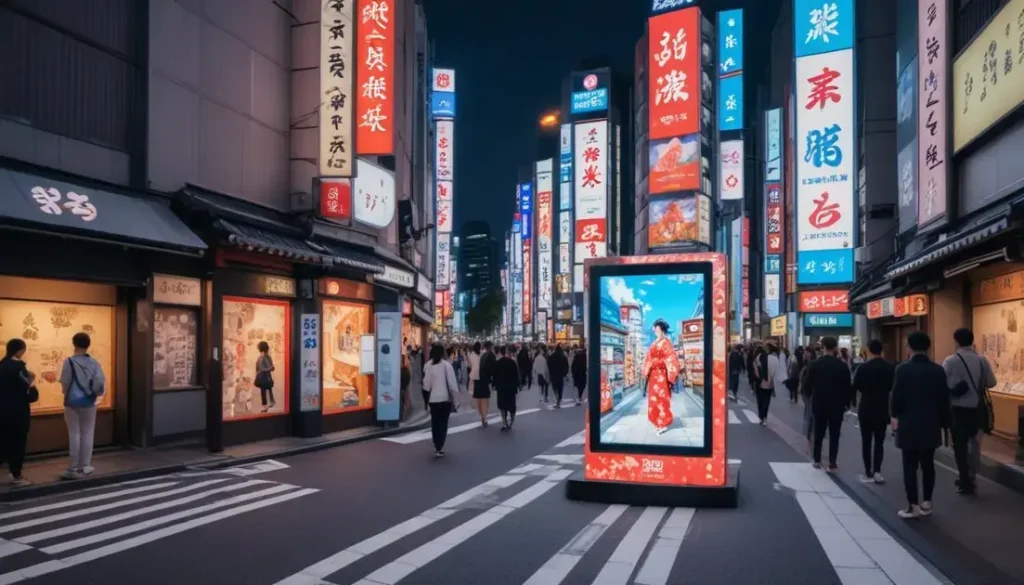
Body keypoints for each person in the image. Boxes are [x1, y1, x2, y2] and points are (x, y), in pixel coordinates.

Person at [891, 331, 951, 518]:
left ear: (909, 346)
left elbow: (896, 397)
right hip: (931, 423)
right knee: (928, 464)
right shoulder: (938, 370)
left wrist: (894, 415)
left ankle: (912, 505)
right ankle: (927, 502)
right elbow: (944, 399)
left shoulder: (902, 369)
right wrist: (945, 423)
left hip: (908, 423)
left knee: (909, 464)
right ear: (928, 347)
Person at [941, 327, 997, 495]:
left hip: (958, 410)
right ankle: (972, 476)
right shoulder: (982, 360)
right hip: (977, 410)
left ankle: (964, 478)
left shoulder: (950, 361)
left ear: (956, 341)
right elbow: (992, 383)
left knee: (959, 446)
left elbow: (942, 384)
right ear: (972, 341)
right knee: (975, 444)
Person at [60, 332, 107, 480]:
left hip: (72, 402)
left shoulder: (69, 362)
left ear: (74, 344)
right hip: (89, 402)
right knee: (88, 433)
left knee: (74, 433)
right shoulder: (94, 363)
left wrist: (67, 393)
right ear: (88, 345)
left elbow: (65, 382)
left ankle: (72, 468)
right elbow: (100, 383)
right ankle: (85, 465)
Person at [804, 337, 852, 472]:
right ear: (835, 347)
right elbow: (848, 387)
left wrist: (808, 396)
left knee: (819, 432)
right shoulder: (842, 366)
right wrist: (847, 404)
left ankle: (817, 460)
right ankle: (832, 462)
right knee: (835, 434)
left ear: (823, 347)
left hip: (819, 403)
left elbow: (808, 385)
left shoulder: (815, 364)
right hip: (837, 405)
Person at [852, 339, 895, 484]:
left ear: (869, 351)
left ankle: (868, 470)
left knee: (866, 440)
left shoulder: (863, 368)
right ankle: (877, 470)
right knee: (879, 441)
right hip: (882, 407)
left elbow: (856, 386)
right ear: (881, 351)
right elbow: (892, 387)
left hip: (866, 407)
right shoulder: (889, 367)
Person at [0, 339, 38, 486]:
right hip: (18, 414)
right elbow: (30, 394)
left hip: (2, 413)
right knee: (17, 445)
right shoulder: (18, 368)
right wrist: (32, 381)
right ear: (19, 351)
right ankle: (16, 475)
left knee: (3, 443)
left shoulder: (2, 365)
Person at [642, 319, 681, 434]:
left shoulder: (666, 342)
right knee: (653, 399)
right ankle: (656, 420)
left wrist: (657, 362)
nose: (655, 330)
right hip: (654, 375)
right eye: (655, 329)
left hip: (662, 375)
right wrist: (647, 367)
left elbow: (670, 358)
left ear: (662, 330)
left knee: (662, 398)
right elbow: (648, 357)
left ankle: (663, 422)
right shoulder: (654, 343)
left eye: (657, 328)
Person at [422, 344, 459, 457]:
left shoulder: (428, 366)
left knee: (435, 422)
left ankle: (436, 444)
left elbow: (426, 385)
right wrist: (456, 400)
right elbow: (452, 384)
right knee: (443, 423)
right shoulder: (447, 365)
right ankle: (440, 446)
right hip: (445, 399)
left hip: (433, 399)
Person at [494, 345, 521, 430]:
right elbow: (516, 376)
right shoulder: (512, 363)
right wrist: (518, 386)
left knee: (502, 406)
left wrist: (495, 385)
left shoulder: (497, 363)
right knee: (511, 405)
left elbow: (495, 376)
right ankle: (511, 421)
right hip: (511, 388)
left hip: (501, 388)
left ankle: (504, 422)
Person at [799, 347, 817, 443]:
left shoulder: (811, 364)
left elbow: (808, 379)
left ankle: (810, 433)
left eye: (806, 353)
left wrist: (805, 389)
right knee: (809, 411)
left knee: (810, 412)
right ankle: (809, 432)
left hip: (809, 393)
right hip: (807, 392)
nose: (804, 355)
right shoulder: (807, 364)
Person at [468, 342, 489, 427]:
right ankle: (484, 417)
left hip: (475, 377)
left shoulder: (470, 355)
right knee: (485, 399)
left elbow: (469, 366)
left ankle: (482, 416)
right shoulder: (484, 354)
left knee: (478, 399)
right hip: (483, 377)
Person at [755, 344, 776, 426]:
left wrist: (758, 378)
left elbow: (755, 367)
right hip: (769, 384)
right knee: (766, 401)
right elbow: (775, 371)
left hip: (760, 382)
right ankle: (764, 417)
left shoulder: (759, 356)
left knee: (760, 401)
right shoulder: (773, 358)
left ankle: (761, 417)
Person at [253, 341, 276, 413]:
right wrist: (271, 368)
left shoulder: (261, 356)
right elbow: (270, 367)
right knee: (267, 388)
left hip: (263, 376)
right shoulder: (265, 356)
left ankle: (265, 405)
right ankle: (268, 403)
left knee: (264, 389)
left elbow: (259, 368)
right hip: (265, 376)